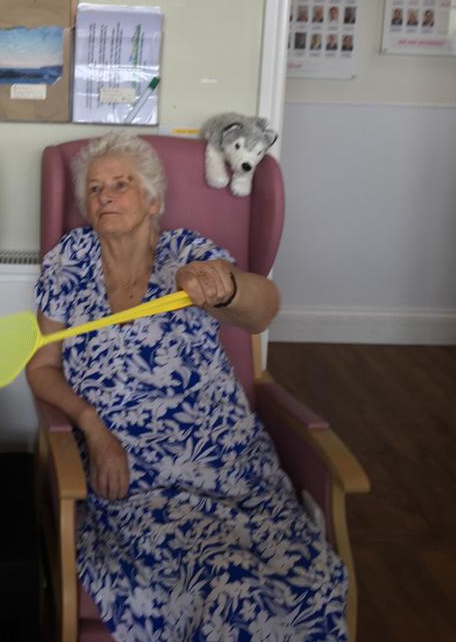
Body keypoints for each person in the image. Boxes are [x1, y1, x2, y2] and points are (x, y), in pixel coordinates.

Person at [27, 132, 348, 642]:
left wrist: (227, 287)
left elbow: (262, 309)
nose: (105, 196)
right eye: (94, 189)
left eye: (121, 184)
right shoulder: (69, 261)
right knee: (221, 586)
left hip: (225, 466)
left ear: (153, 201)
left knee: (271, 585)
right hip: (131, 477)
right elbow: (42, 366)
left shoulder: (188, 255)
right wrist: (93, 427)